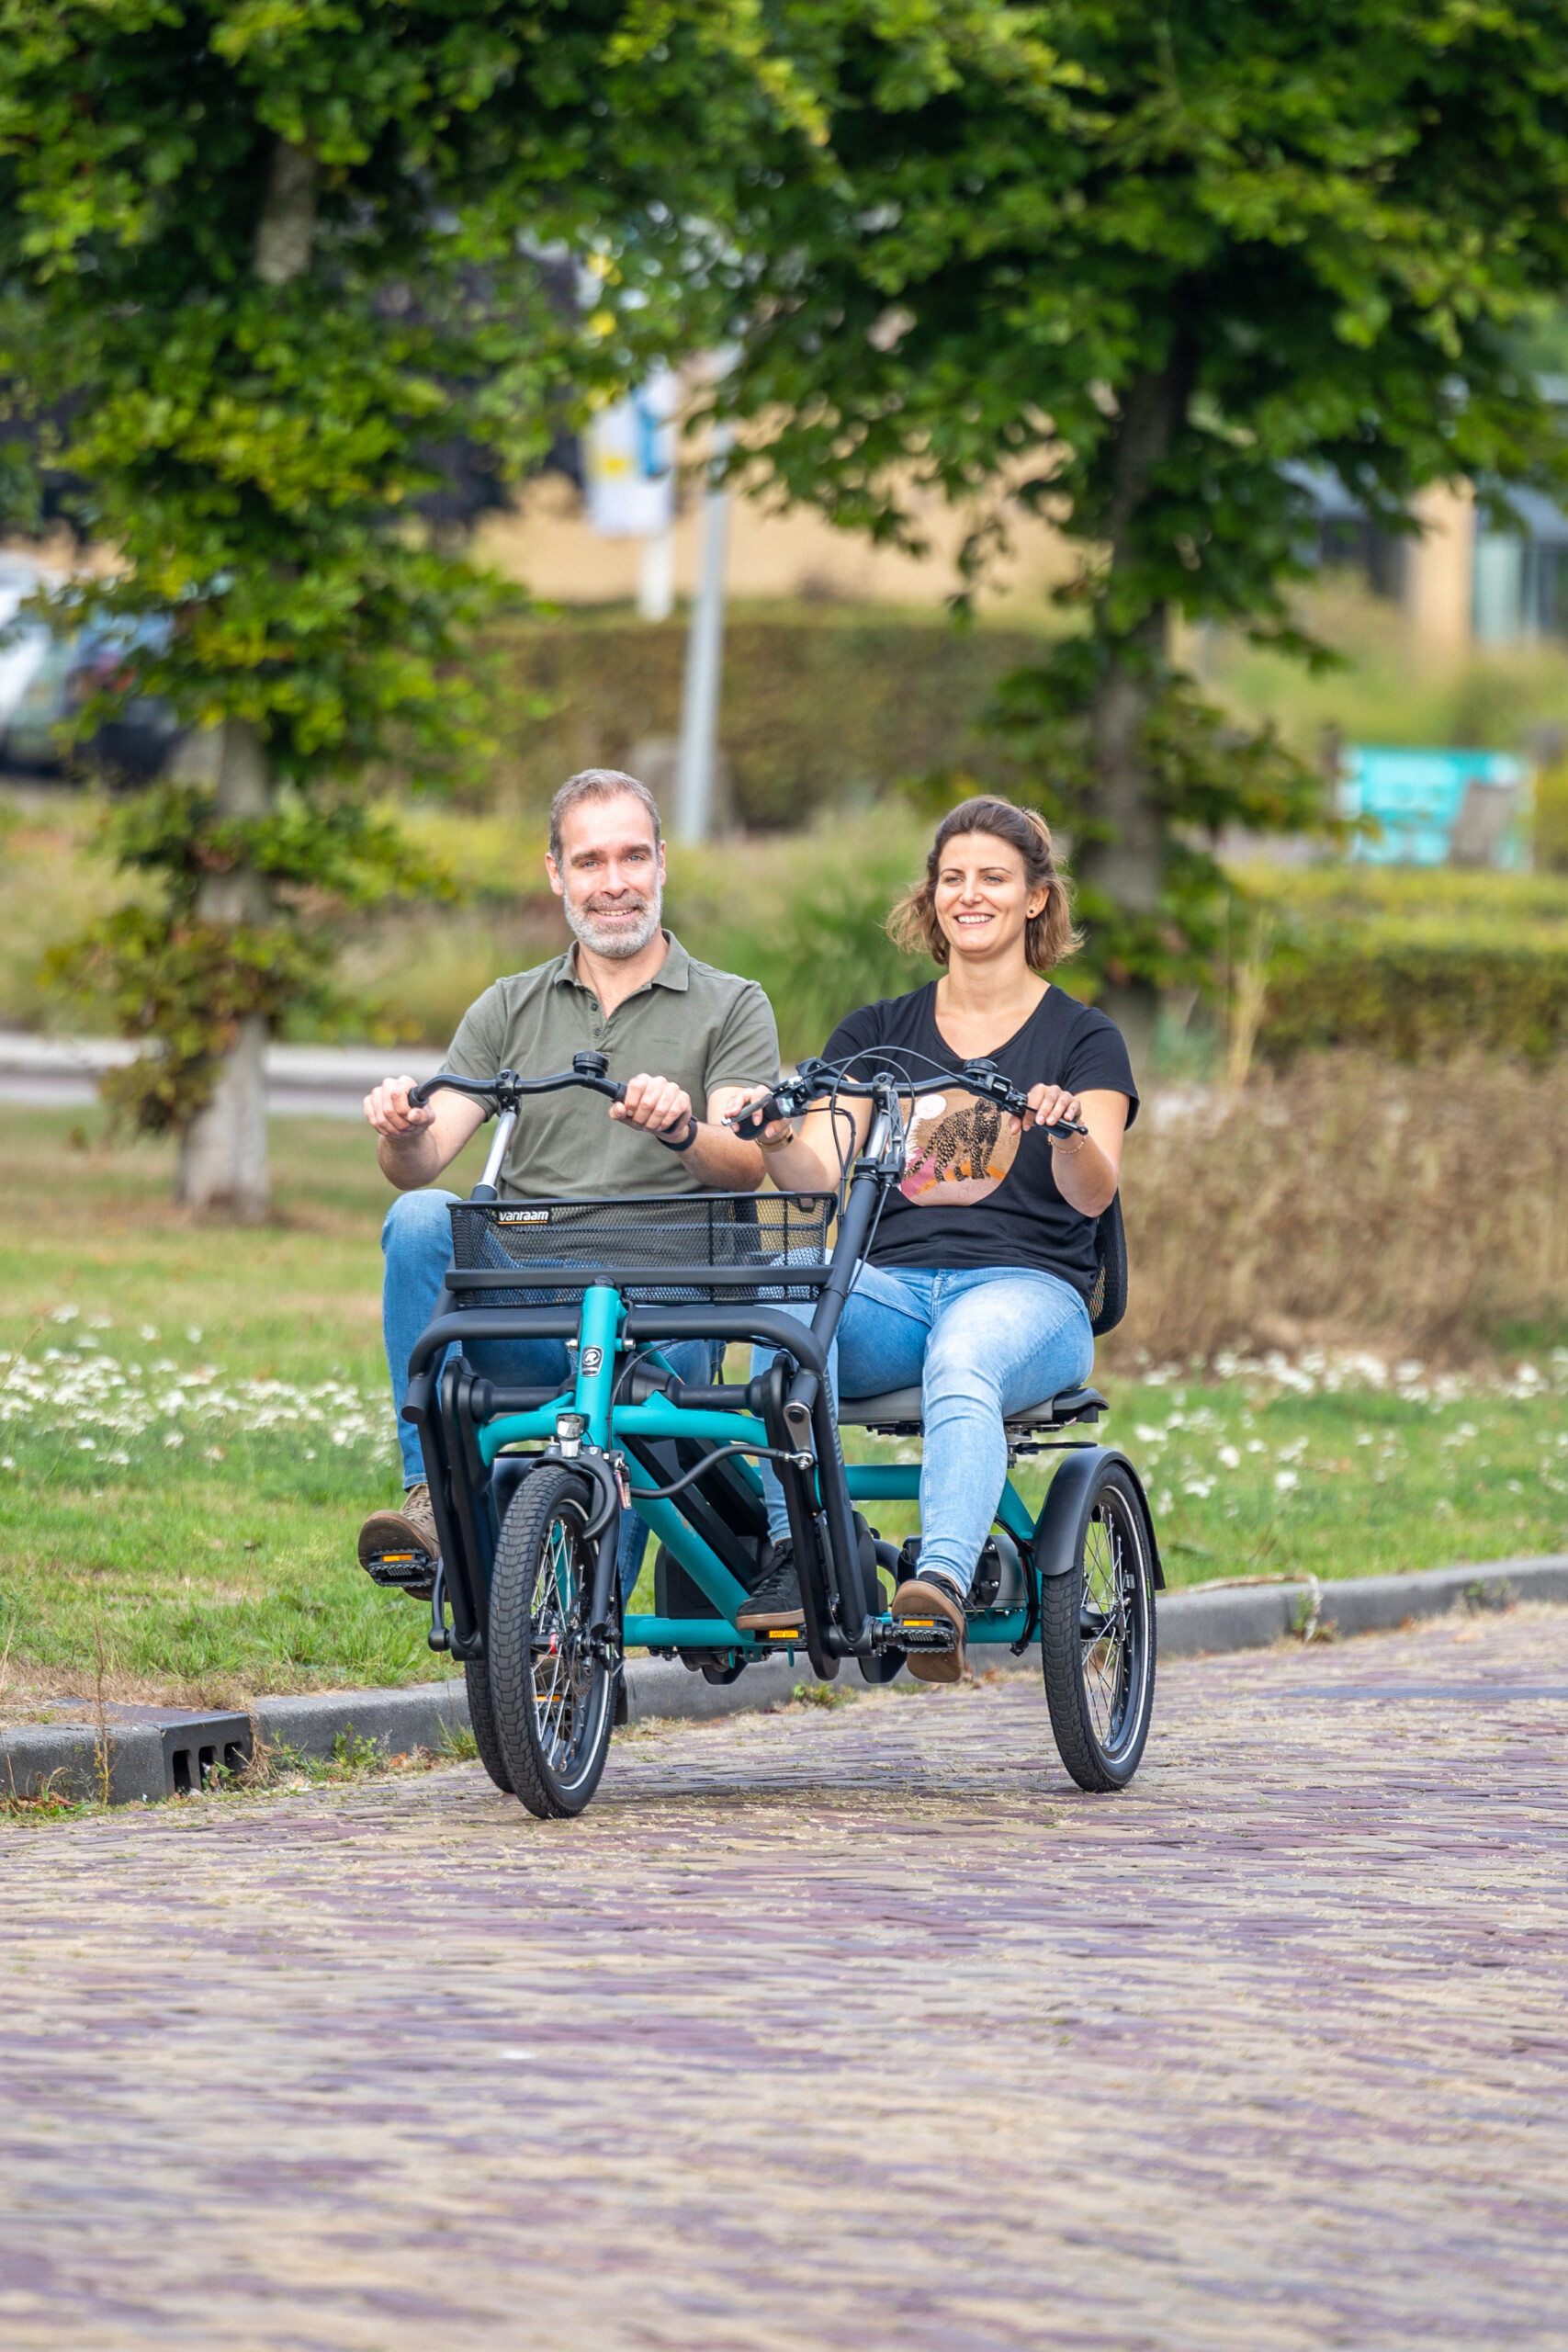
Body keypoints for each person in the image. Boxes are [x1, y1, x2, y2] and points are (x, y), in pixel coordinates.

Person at [733, 795, 1136, 1682]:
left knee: (964, 1356)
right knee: (788, 1287)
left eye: (993, 878)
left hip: (1030, 1297)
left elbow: (1093, 1188)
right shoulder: (877, 1034)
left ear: (1036, 898)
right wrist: (771, 1139)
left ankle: (939, 1587)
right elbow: (819, 1176)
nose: (969, 895)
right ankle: (800, 1550)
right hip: (893, 1291)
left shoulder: (1083, 1038)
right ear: (930, 897)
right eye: (951, 878)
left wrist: (1066, 1131)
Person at [358, 767, 780, 1600]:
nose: (613, 883)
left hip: (664, 1319)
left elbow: (746, 1157)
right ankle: (432, 1499)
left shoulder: (731, 1005)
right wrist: (400, 1132)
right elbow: (426, 1157)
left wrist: (682, 1126)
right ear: (556, 873)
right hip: (535, 1305)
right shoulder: (507, 1009)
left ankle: (575, 1645)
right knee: (416, 1216)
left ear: (663, 863)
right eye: (589, 862)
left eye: (632, 858)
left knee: (622, 1421)